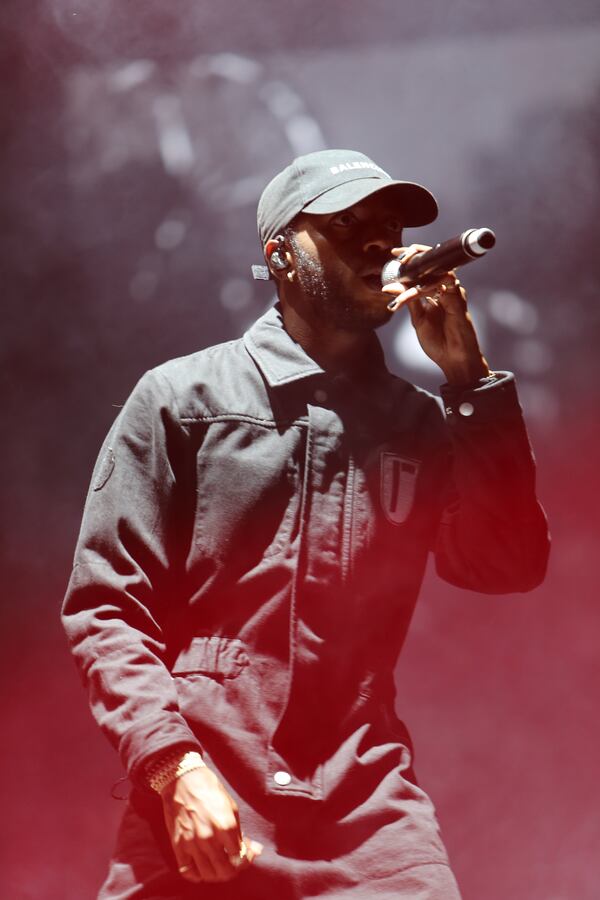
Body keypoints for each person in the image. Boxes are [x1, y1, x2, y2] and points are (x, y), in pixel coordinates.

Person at [62, 148, 550, 899]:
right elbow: (105, 610)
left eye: (388, 227)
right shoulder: (181, 398)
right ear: (281, 255)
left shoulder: (419, 421)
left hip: (368, 813)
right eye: (347, 225)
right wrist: (173, 766)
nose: (379, 243)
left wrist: (469, 383)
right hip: (206, 791)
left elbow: (505, 564)